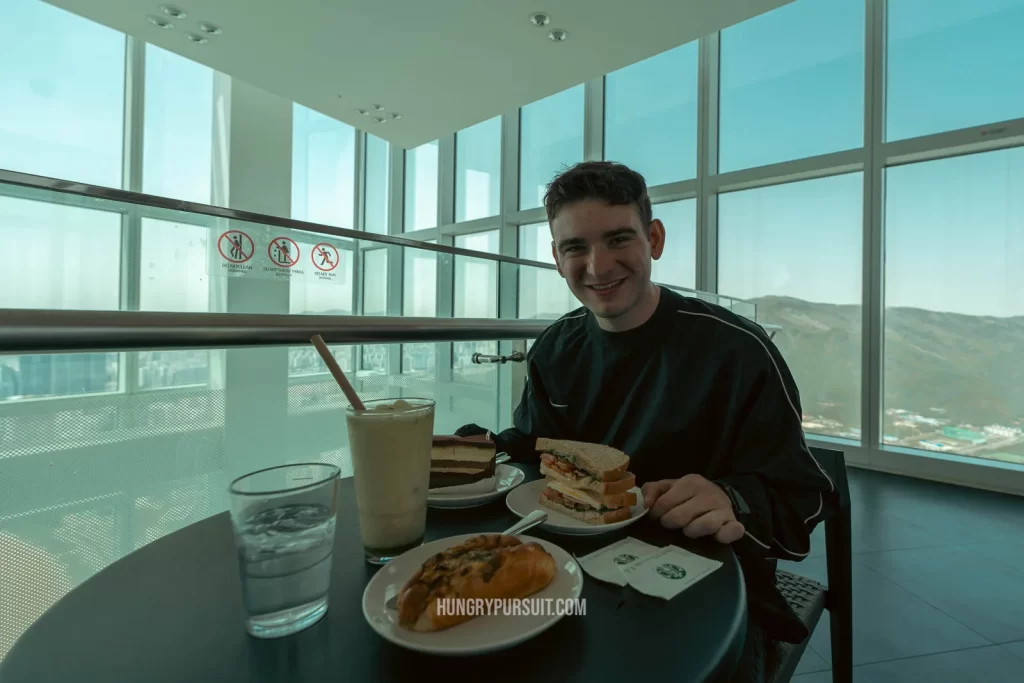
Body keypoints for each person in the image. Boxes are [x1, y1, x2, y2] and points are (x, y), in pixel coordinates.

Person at [457, 161, 833, 682]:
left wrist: (732, 498)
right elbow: (534, 448)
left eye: (618, 239)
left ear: (653, 239)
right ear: (556, 258)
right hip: (573, 574)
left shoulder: (736, 352)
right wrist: (482, 448)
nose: (598, 265)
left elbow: (803, 498)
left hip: (710, 593)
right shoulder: (553, 350)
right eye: (575, 248)